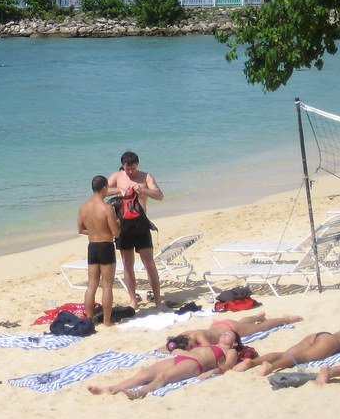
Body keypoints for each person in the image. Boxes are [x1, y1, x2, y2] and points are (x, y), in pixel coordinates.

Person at [234, 309, 340, 375]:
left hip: (320, 335)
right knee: (300, 358)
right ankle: (271, 367)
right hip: (333, 342)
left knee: (285, 353)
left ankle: (252, 362)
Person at [88, 330, 242, 399]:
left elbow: (228, 366)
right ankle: (111, 389)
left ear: (234, 342)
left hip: (196, 364)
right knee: (144, 373)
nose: (224, 333)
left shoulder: (230, 351)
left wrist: (213, 371)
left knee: (164, 376)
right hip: (184, 358)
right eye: (224, 332)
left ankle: (142, 392)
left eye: (229, 334)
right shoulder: (211, 344)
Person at [106, 151, 163, 308]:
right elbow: (101, 191)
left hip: (141, 224)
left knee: (149, 262)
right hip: (123, 226)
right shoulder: (117, 176)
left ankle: (158, 300)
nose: (130, 172)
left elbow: (159, 195)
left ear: (137, 165)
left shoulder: (146, 177)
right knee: (127, 263)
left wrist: (143, 190)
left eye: (133, 169)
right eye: (127, 169)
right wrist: (118, 190)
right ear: (123, 166)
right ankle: (133, 299)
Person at [77, 175, 120, 325]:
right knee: (107, 285)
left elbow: (81, 229)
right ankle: (107, 321)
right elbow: (116, 232)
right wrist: (118, 222)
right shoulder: (107, 208)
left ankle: (89, 320)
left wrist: (94, 230)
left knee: (92, 284)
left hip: (92, 247)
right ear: (104, 188)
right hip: (106, 246)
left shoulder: (83, 207)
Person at [164, 312, 303, 352]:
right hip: (220, 326)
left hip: (231, 330)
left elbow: (210, 349)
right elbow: (171, 344)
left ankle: (286, 319)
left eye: (191, 346)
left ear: (188, 340)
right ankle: (256, 316)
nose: (193, 347)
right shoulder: (187, 335)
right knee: (243, 323)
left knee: (262, 327)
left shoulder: (199, 335)